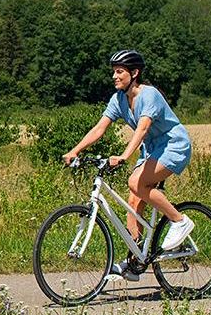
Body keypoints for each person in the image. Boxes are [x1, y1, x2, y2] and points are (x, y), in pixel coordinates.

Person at [62, 48, 195, 280]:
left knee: (136, 182)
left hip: (173, 145)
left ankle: (180, 221)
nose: (114, 76)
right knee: (134, 201)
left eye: (120, 71)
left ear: (134, 73)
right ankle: (135, 262)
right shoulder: (119, 99)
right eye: (113, 72)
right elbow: (100, 128)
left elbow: (143, 128)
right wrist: (75, 151)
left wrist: (124, 156)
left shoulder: (149, 95)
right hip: (152, 150)